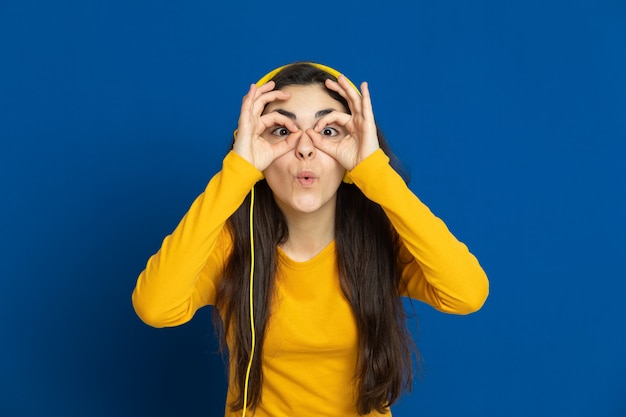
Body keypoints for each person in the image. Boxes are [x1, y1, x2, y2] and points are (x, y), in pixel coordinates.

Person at [132, 62, 489, 417]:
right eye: (282, 131)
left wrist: (374, 171)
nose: (305, 148)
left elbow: (466, 294)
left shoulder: (381, 244)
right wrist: (237, 172)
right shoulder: (232, 246)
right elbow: (156, 307)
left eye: (329, 131)